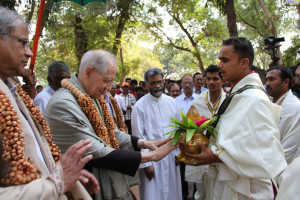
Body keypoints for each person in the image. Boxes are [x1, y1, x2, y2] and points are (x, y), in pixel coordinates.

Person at [45, 50, 177, 200]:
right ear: (89, 72)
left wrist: (144, 143)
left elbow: (110, 132)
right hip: (80, 187)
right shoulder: (64, 103)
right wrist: (152, 156)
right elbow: (96, 149)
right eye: (106, 81)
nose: (110, 87)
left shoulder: (90, 95)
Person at [0, 6, 97, 199]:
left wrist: (63, 173)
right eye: (23, 43)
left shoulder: (11, 89)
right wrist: (57, 182)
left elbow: (35, 152)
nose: (29, 53)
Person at [186, 37, 287, 200]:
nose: (219, 65)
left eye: (224, 60)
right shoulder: (240, 94)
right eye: (220, 60)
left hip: (248, 189)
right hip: (231, 182)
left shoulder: (254, 98)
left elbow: (264, 151)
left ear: (244, 63)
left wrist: (213, 156)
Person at [132, 68, 182, 200]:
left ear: (164, 83)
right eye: (153, 83)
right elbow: (138, 136)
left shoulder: (172, 102)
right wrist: (146, 163)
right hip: (151, 159)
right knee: (152, 194)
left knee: (172, 192)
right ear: (147, 85)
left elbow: (178, 129)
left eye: (159, 82)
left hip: (171, 156)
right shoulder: (139, 106)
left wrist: (178, 153)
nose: (157, 86)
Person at [190, 64, 226, 200]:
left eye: (215, 79)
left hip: (221, 156)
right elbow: (191, 129)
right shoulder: (198, 102)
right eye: (209, 79)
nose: (211, 82)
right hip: (202, 155)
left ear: (222, 80)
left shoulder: (228, 101)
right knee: (201, 194)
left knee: (220, 193)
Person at [266, 66, 300, 165]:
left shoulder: (296, 108)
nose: (267, 84)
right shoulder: (267, 102)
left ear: (285, 82)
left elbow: (290, 149)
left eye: (271, 79)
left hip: (283, 169)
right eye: (266, 80)